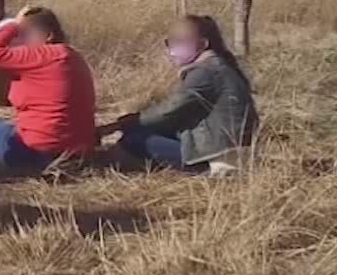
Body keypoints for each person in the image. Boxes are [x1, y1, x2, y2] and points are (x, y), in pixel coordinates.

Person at [105, 14, 259, 171]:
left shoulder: (205, 72)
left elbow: (169, 110)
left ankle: (200, 169)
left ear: (203, 44)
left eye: (180, 42)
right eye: (170, 42)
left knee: (135, 137)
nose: (173, 48)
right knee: (149, 129)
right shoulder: (218, 66)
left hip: (217, 157)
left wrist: (127, 122)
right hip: (226, 147)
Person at [0, 8, 97, 167]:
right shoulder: (74, 56)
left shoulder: (39, 55)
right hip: (79, 152)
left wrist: (14, 24)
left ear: (48, 35)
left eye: (25, 34)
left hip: (37, 153)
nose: (21, 41)